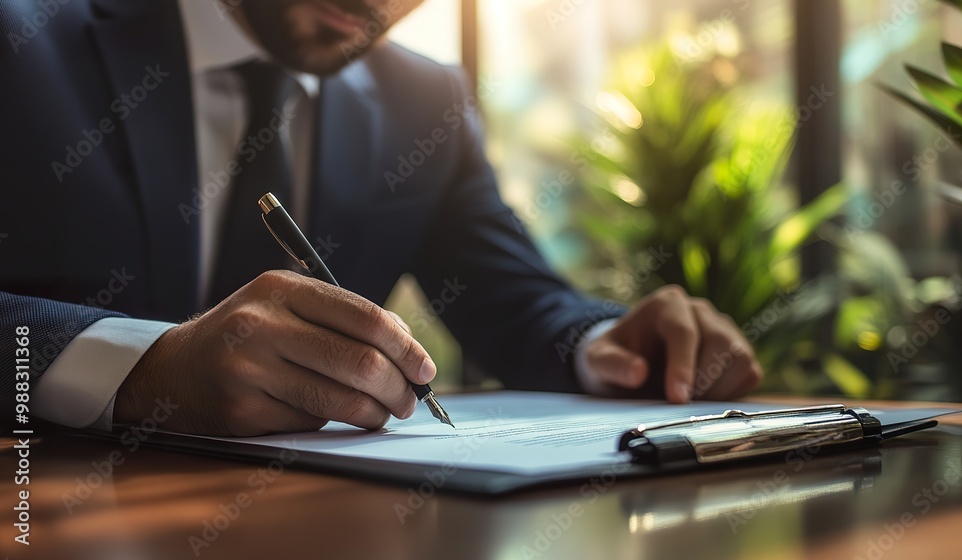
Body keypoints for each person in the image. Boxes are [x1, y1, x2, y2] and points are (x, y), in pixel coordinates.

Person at [0, 0, 762, 437]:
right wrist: (141, 369)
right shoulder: (24, 37)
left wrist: (602, 342)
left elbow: (510, 295)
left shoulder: (424, 104)